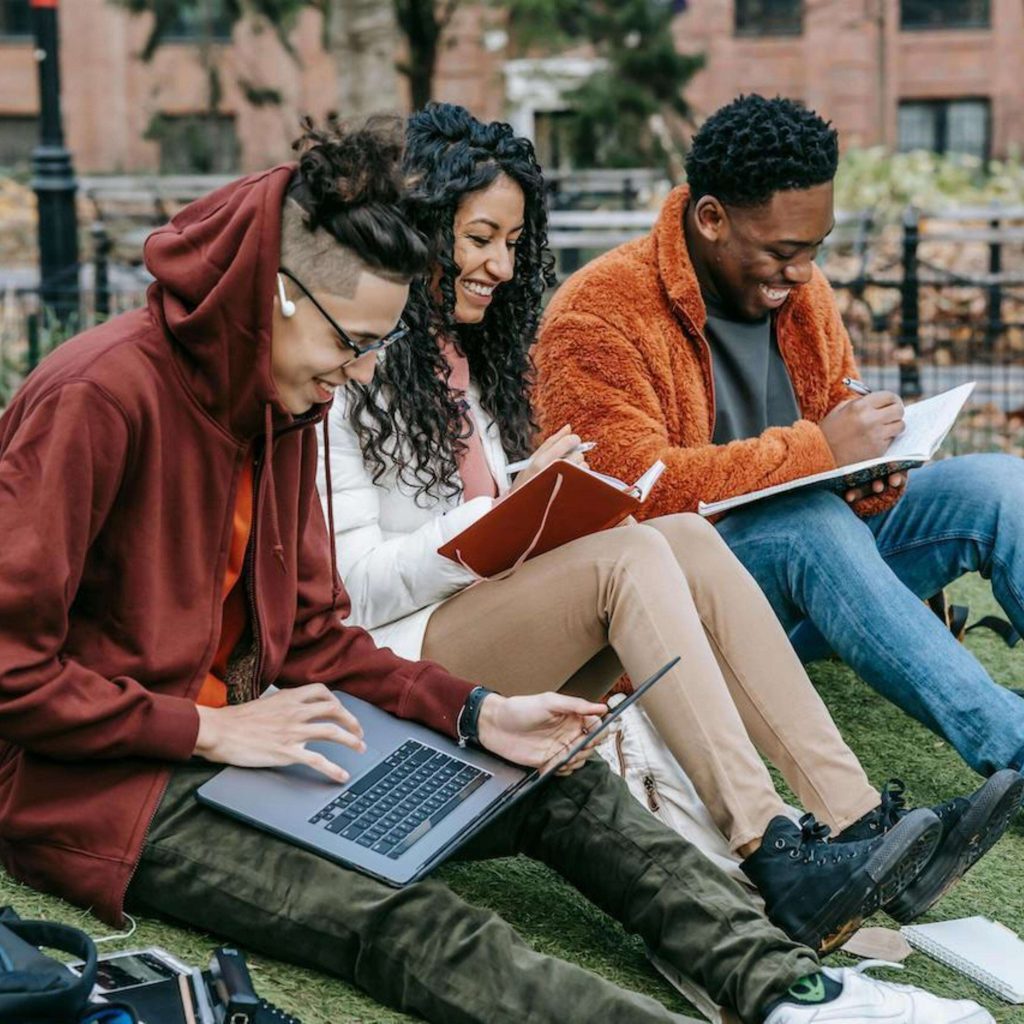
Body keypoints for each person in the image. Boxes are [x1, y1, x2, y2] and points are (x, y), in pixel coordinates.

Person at [0, 113, 986, 1024]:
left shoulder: (283, 399)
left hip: (272, 735)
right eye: (349, 345)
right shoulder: (95, 397)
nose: (355, 375)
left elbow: (312, 635)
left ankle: (793, 992)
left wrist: (479, 714)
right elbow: (12, 671)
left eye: (375, 349)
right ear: (276, 296)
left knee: (558, 781)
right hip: (122, 789)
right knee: (404, 919)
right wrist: (210, 725)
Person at [318, 102, 1011, 962]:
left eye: (511, 242)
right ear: (418, 230)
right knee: (646, 546)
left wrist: (536, 504)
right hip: (402, 657)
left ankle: (851, 821)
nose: (500, 265)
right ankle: (773, 847)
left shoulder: (474, 356)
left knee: (679, 539)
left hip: (492, 610)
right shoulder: (341, 366)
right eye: (478, 239)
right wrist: (499, 518)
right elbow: (350, 594)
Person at [532, 93, 1024, 912]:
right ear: (714, 218)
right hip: (693, 603)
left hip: (821, 563)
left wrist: (873, 470)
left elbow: (835, 404)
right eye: (785, 251)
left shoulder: (799, 286)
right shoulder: (596, 313)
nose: (802, 273)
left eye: (817, 248)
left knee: (999, 484)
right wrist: (818, 454)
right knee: (805, 523)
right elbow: (621, 498)